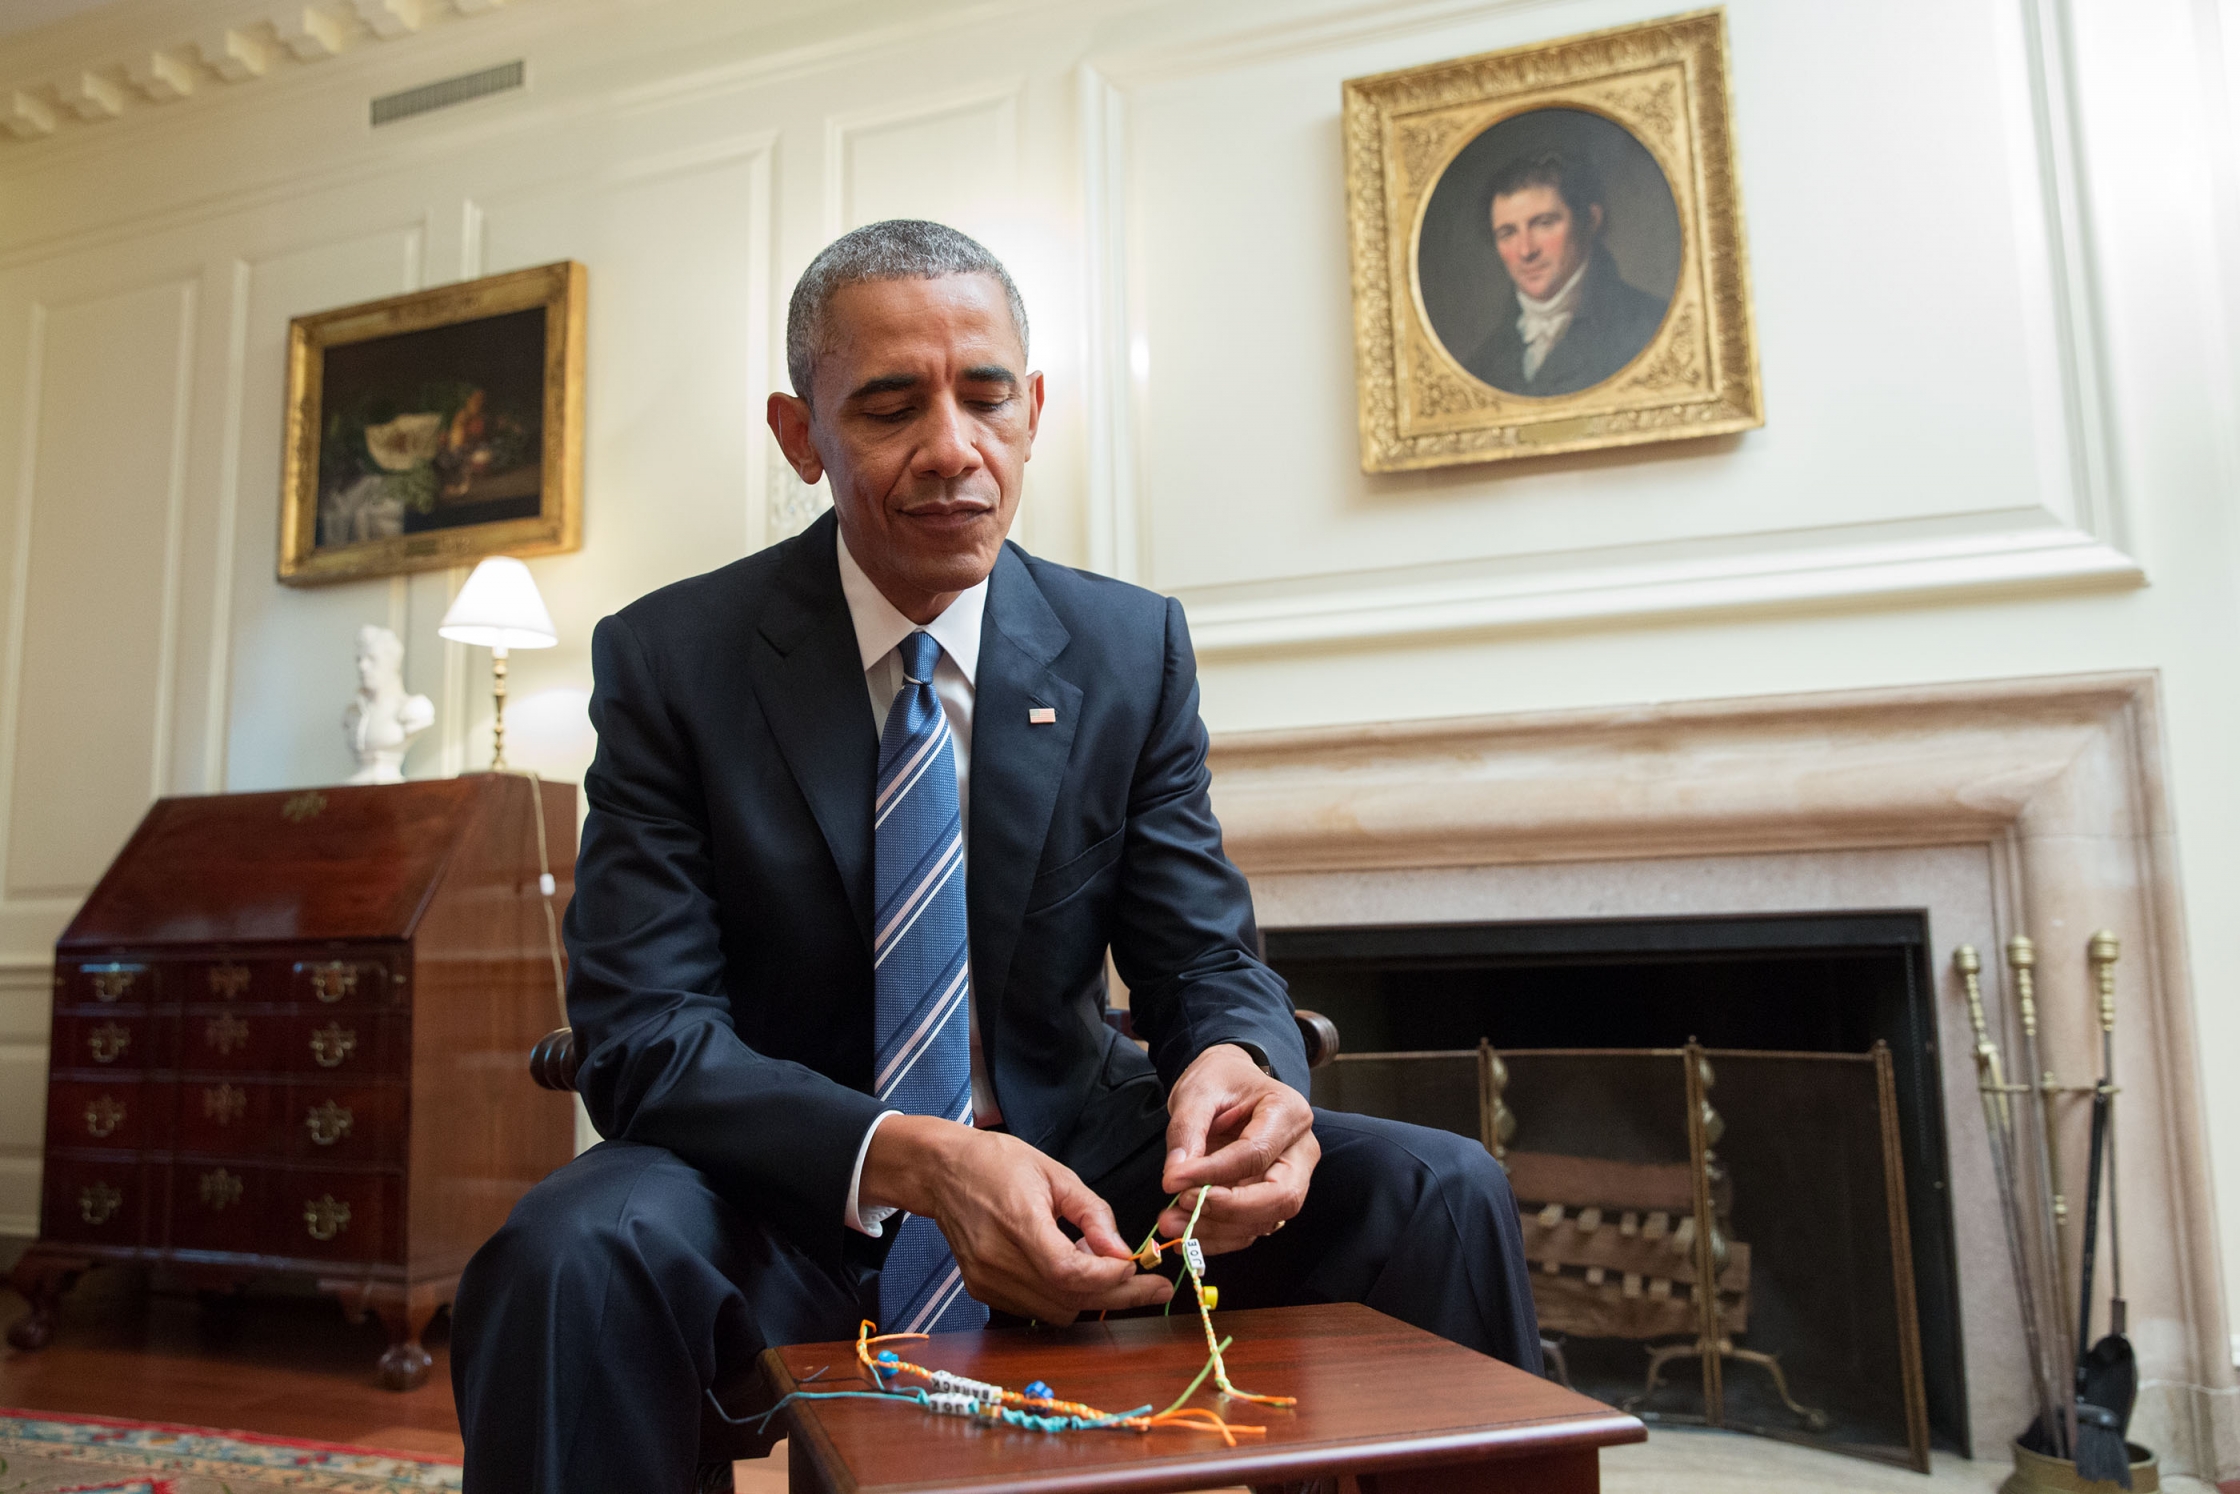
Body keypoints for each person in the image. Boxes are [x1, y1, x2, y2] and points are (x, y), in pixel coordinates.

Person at [450, 219, 1539, 1494]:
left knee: (1440, 1188)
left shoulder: (1127, 650)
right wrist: (916, 1157)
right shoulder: (672, 662)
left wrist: (1246, 1077)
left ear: (1033, 412)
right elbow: (644, 1035)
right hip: (787, 1188)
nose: (952, 450)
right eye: (889, 407)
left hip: (1084, 1169)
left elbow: (1202, 959)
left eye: (986, 397)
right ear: (800, 437)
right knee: (567, 1252)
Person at [1462, 151, 1669, 396]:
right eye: (1508, 233)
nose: (1526, 251)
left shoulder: (1652, 327)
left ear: (1590, 220)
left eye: (1544, 223)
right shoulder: (1479, 368)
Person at [340, 624, 432, 784]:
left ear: (392, 663)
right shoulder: (352, 713)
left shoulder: (414, 708)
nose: (362, 666)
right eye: (359, 659)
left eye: (372, 659)